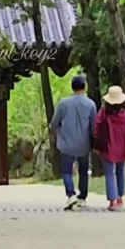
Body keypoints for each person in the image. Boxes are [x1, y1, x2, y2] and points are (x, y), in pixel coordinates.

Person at [50, 74, 97, 210]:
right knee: (83, 171)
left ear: (72, 87)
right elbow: (94, 127)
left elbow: (54, 123)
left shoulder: (63, 103)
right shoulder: (91, 104)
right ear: (84, 87)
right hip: (84, 144)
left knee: (66, 171)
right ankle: (82, 197)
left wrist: (55, 131)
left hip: (66, 143)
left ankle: (71, 194)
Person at [94, 85, 125, 211]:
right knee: (120, 171)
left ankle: (112, 201)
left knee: (109, 173)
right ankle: (120, 198)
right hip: (123, 148)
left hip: (107, 147)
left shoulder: (103, 113)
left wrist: (96, 144)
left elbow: (96, 128)